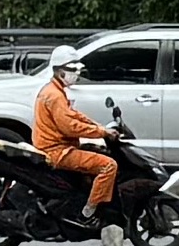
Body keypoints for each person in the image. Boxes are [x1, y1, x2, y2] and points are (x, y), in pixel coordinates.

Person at [27, 45, 120, 218]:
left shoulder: (54, 91)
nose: (75, 74)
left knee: (96, 152)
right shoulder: (54, 95)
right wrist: (101, 132)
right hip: (58, 151)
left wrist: (100, 127)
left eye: (77, 69)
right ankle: (90, 211)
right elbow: (69, 126)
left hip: (57, 147)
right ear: (58, 70)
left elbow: (74, 115)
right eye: (71, 69)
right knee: (108, 165)